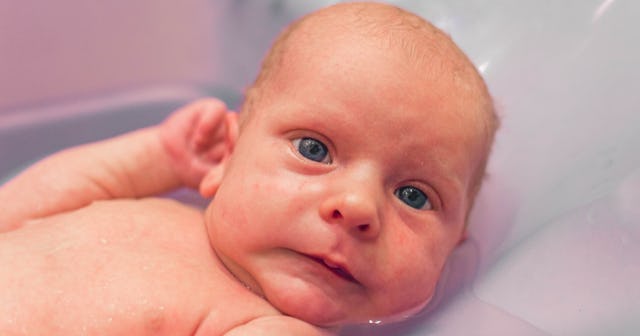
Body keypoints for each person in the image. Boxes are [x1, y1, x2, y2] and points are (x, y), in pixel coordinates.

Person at [0, 2, 498, 335]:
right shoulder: (146, 208)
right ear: (225, 159)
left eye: (414, 195)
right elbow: (18, 210)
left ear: (454, 246)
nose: (356, 205)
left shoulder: (265, 325)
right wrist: (159, 157)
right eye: (315, 149)